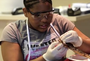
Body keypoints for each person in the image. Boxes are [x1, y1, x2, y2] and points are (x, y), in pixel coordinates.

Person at [0, 0, 90, 61]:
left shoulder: (59, 22)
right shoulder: (13, 31)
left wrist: (79, 41)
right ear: (25, 12)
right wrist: (46, 58)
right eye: (37, 15)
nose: (44, 20)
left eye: (48, 14)